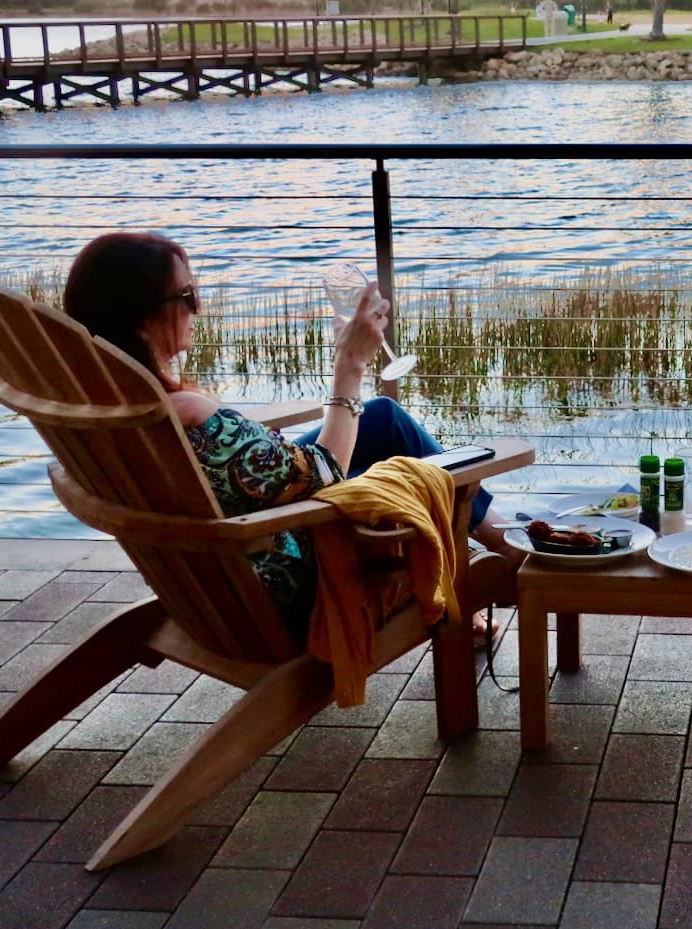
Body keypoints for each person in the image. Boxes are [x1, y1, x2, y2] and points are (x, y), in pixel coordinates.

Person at [62, 233, 522, 643]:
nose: (197, 307)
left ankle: (502, 541)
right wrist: (350, 365)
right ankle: (508, 558)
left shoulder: (102, 404)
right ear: (141, 320)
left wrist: (262, 441)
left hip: (209, 578)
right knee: (417, 472)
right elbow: (324, 475)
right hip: (286, 586)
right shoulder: (184, 414)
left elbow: (238, 473)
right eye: (187, 296)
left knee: (383, 418)